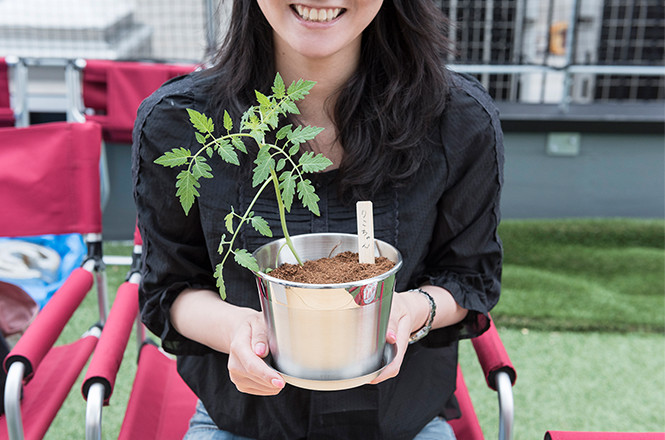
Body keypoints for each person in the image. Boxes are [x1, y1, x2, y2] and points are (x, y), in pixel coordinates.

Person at [132, 1, 504, 439]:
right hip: (245, 423)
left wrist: (409, 309)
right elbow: (170, 288)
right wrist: (236, 330)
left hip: (401, 423)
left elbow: (469, 277)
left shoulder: (457, 122)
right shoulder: (178, 124)